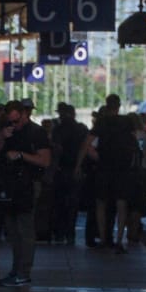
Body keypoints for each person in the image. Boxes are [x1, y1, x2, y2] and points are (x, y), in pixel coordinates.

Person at [0, 99, 51, 286]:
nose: (14, 124)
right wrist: (2, 136)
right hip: (9, 185)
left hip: (28, 184)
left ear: (25, 114)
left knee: (24, 229)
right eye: (10, 121)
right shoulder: (7, 131)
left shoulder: (36, 132)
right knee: (13, 230)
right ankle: (16, 269)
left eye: (17, 121)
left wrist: (21, 155)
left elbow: (45, 160)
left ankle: (23, 270)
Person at [84, 96, 137, 251]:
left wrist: (80, 163)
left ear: (107, 106)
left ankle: (102, 238)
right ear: (119, 106)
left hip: (104, 168)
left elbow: (87, 143)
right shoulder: (127, 122)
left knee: (101, 203)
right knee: (121, 204)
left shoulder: (101, 122)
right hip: (123, 169)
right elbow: (135, 141)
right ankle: (119, 239)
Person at [118, 113, 146, 248]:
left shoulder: (124, 138)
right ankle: (134, 231)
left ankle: (128, 226)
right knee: (139, 204)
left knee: (126, 203)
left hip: (126, 175)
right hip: (145, 175)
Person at [51, 105, 89, 246]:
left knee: (59, 202)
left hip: (61, 170)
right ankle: (70, 233)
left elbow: (55, 150)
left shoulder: (58, 130)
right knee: (73, 203)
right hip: (76, 170)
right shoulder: (82, 129)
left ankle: (59, 233)